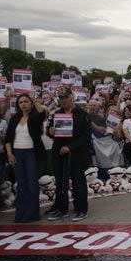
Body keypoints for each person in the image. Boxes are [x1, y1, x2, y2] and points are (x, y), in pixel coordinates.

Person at [46, 88, 91, 221]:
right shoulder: (56, 113)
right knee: (60, 182)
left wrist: (70, 147)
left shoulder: (81, 113)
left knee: (78, 182)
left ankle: (81, 209)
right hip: (59, 152)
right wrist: (50, 131)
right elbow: (49, 131)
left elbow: (85, 136)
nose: (63, 100)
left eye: (65, 97)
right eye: (61, 98)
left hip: (77, 153)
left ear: (72, 97)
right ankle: (61, 208)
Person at [4, 93, 48, 222]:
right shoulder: (14, 118)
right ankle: (21, 213)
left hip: (32, 153)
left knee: (32, 183)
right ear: (18, 105)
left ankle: (32, 214)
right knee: (21, 184)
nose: (23, 104)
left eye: (26, 101)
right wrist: (9, 154)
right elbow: (8, 138)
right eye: (21, 102)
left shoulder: (36, 117)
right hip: (17, 153)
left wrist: (34, 99)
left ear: (31, 103)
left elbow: (42, 112)